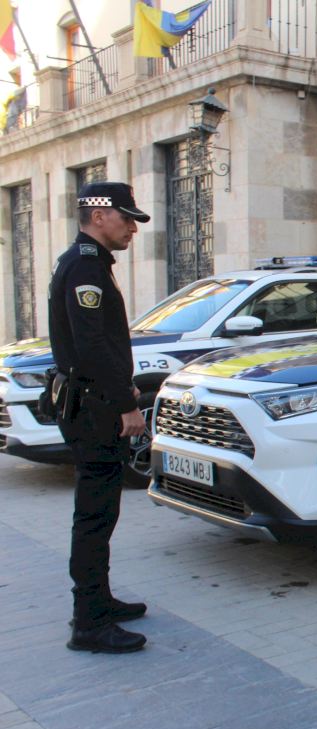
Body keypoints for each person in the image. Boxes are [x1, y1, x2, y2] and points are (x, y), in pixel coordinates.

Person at [48, 182, 151, 654]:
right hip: (94, 409)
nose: (133, 228)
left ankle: (99, 600)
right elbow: (91, 345)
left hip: (93, 401)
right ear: (98, 215)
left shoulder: (86, 262)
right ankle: (89, 623)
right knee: (94, 515)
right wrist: (126, 403)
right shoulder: (85, 266)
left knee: (100, 513)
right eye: (126, 218)